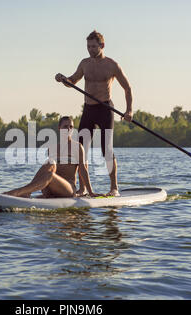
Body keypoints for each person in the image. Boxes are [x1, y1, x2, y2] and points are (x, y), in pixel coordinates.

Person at [55, 30, 133, 197]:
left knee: (107, 149)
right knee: (80, 150)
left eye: (93, 46)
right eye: (88, 46)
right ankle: (83, 188)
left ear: (102, 46)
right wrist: (63, 79)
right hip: (88, 110)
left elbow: (127, 88)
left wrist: (129, 110)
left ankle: (114, 187)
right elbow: (73, 81)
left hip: (105, 109)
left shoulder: (112, 65)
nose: (90, 49)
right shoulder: (84, 64)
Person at [3, 116, 102, 198]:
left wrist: (90, 192)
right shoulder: (52, 148)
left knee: (50, 174)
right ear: (59, 128)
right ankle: (27, 192)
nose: (68, 129)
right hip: (50, 188)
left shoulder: (78, 147)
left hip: (68, 189)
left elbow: (83, 169)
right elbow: (49, 169)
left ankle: (18, 192)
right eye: (65, 126)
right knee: (50, 163)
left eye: (71, 127)